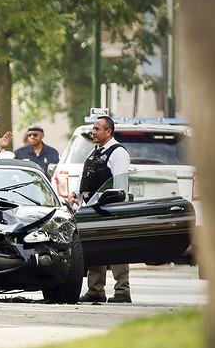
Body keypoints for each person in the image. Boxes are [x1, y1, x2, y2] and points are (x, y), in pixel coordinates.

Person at [68, 115, 132, 304]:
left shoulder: (118, 153)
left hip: (111, 208)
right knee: (96, 249)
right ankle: (95, 291)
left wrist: (117, 208)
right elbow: (84, 176)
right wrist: (74, 194)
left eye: (97, 129)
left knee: (117, 250)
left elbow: (120, 183)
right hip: (92, 208)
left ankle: (122, 291)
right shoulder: (95, 152)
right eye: (93, 129)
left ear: (108, 132)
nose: (93, 132)